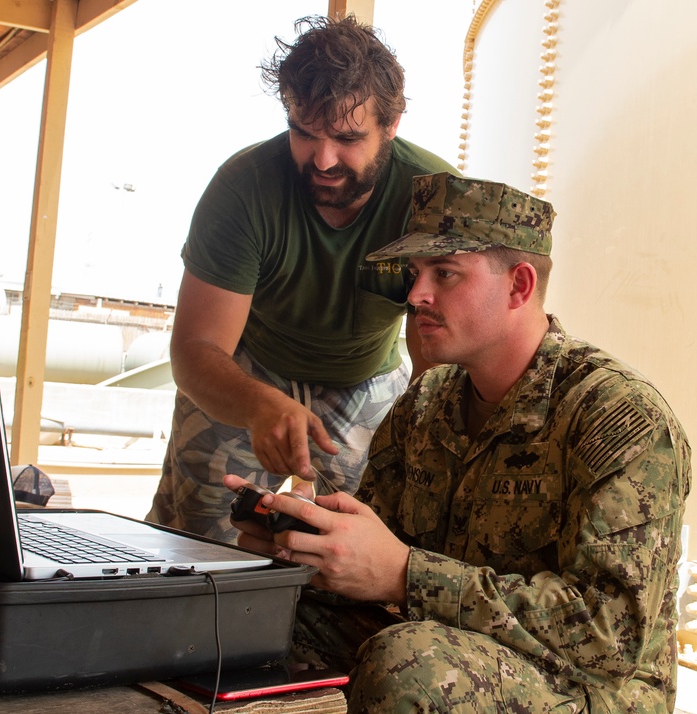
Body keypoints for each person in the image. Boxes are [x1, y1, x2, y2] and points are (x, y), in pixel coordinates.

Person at [224, 172, 692, 712]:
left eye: (445, 273)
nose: (417, 294)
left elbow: (608, 638)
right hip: (445, 643)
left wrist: (406, 574)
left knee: (410, 667)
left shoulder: (619, 418)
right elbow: (373, 553)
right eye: (415, 272)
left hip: (591, 688)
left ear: (519, 285)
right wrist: (303, 541)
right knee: (256, 610)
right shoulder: (427, 402)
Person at [146, 15, 458, 542]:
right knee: (198, 542)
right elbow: (195, 349)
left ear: (393, 123)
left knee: (368, 541)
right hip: (247, 371)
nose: (323, 159)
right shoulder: (242, 188)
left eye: (348, 138)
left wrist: (427, 433)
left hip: (370, 376)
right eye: (304, 133)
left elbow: (439, 345)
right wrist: (257, 402)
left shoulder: (433, 196)